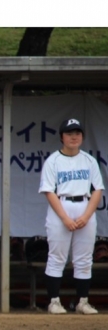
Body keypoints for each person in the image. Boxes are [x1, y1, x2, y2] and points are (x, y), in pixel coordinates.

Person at [39, 118, 104, 314]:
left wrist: (86, 215)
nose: (74, 137)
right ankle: (54, 301)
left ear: (82, 136)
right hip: (62, 205)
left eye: (77, 133)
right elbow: (49, 191)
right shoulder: (53, 161)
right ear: (62, 137)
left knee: (84, 258)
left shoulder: (89, 160)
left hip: (84, 206)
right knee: (57, 257)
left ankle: (83, 301)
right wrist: (65, 218)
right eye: (69, 133)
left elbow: (97, 190)